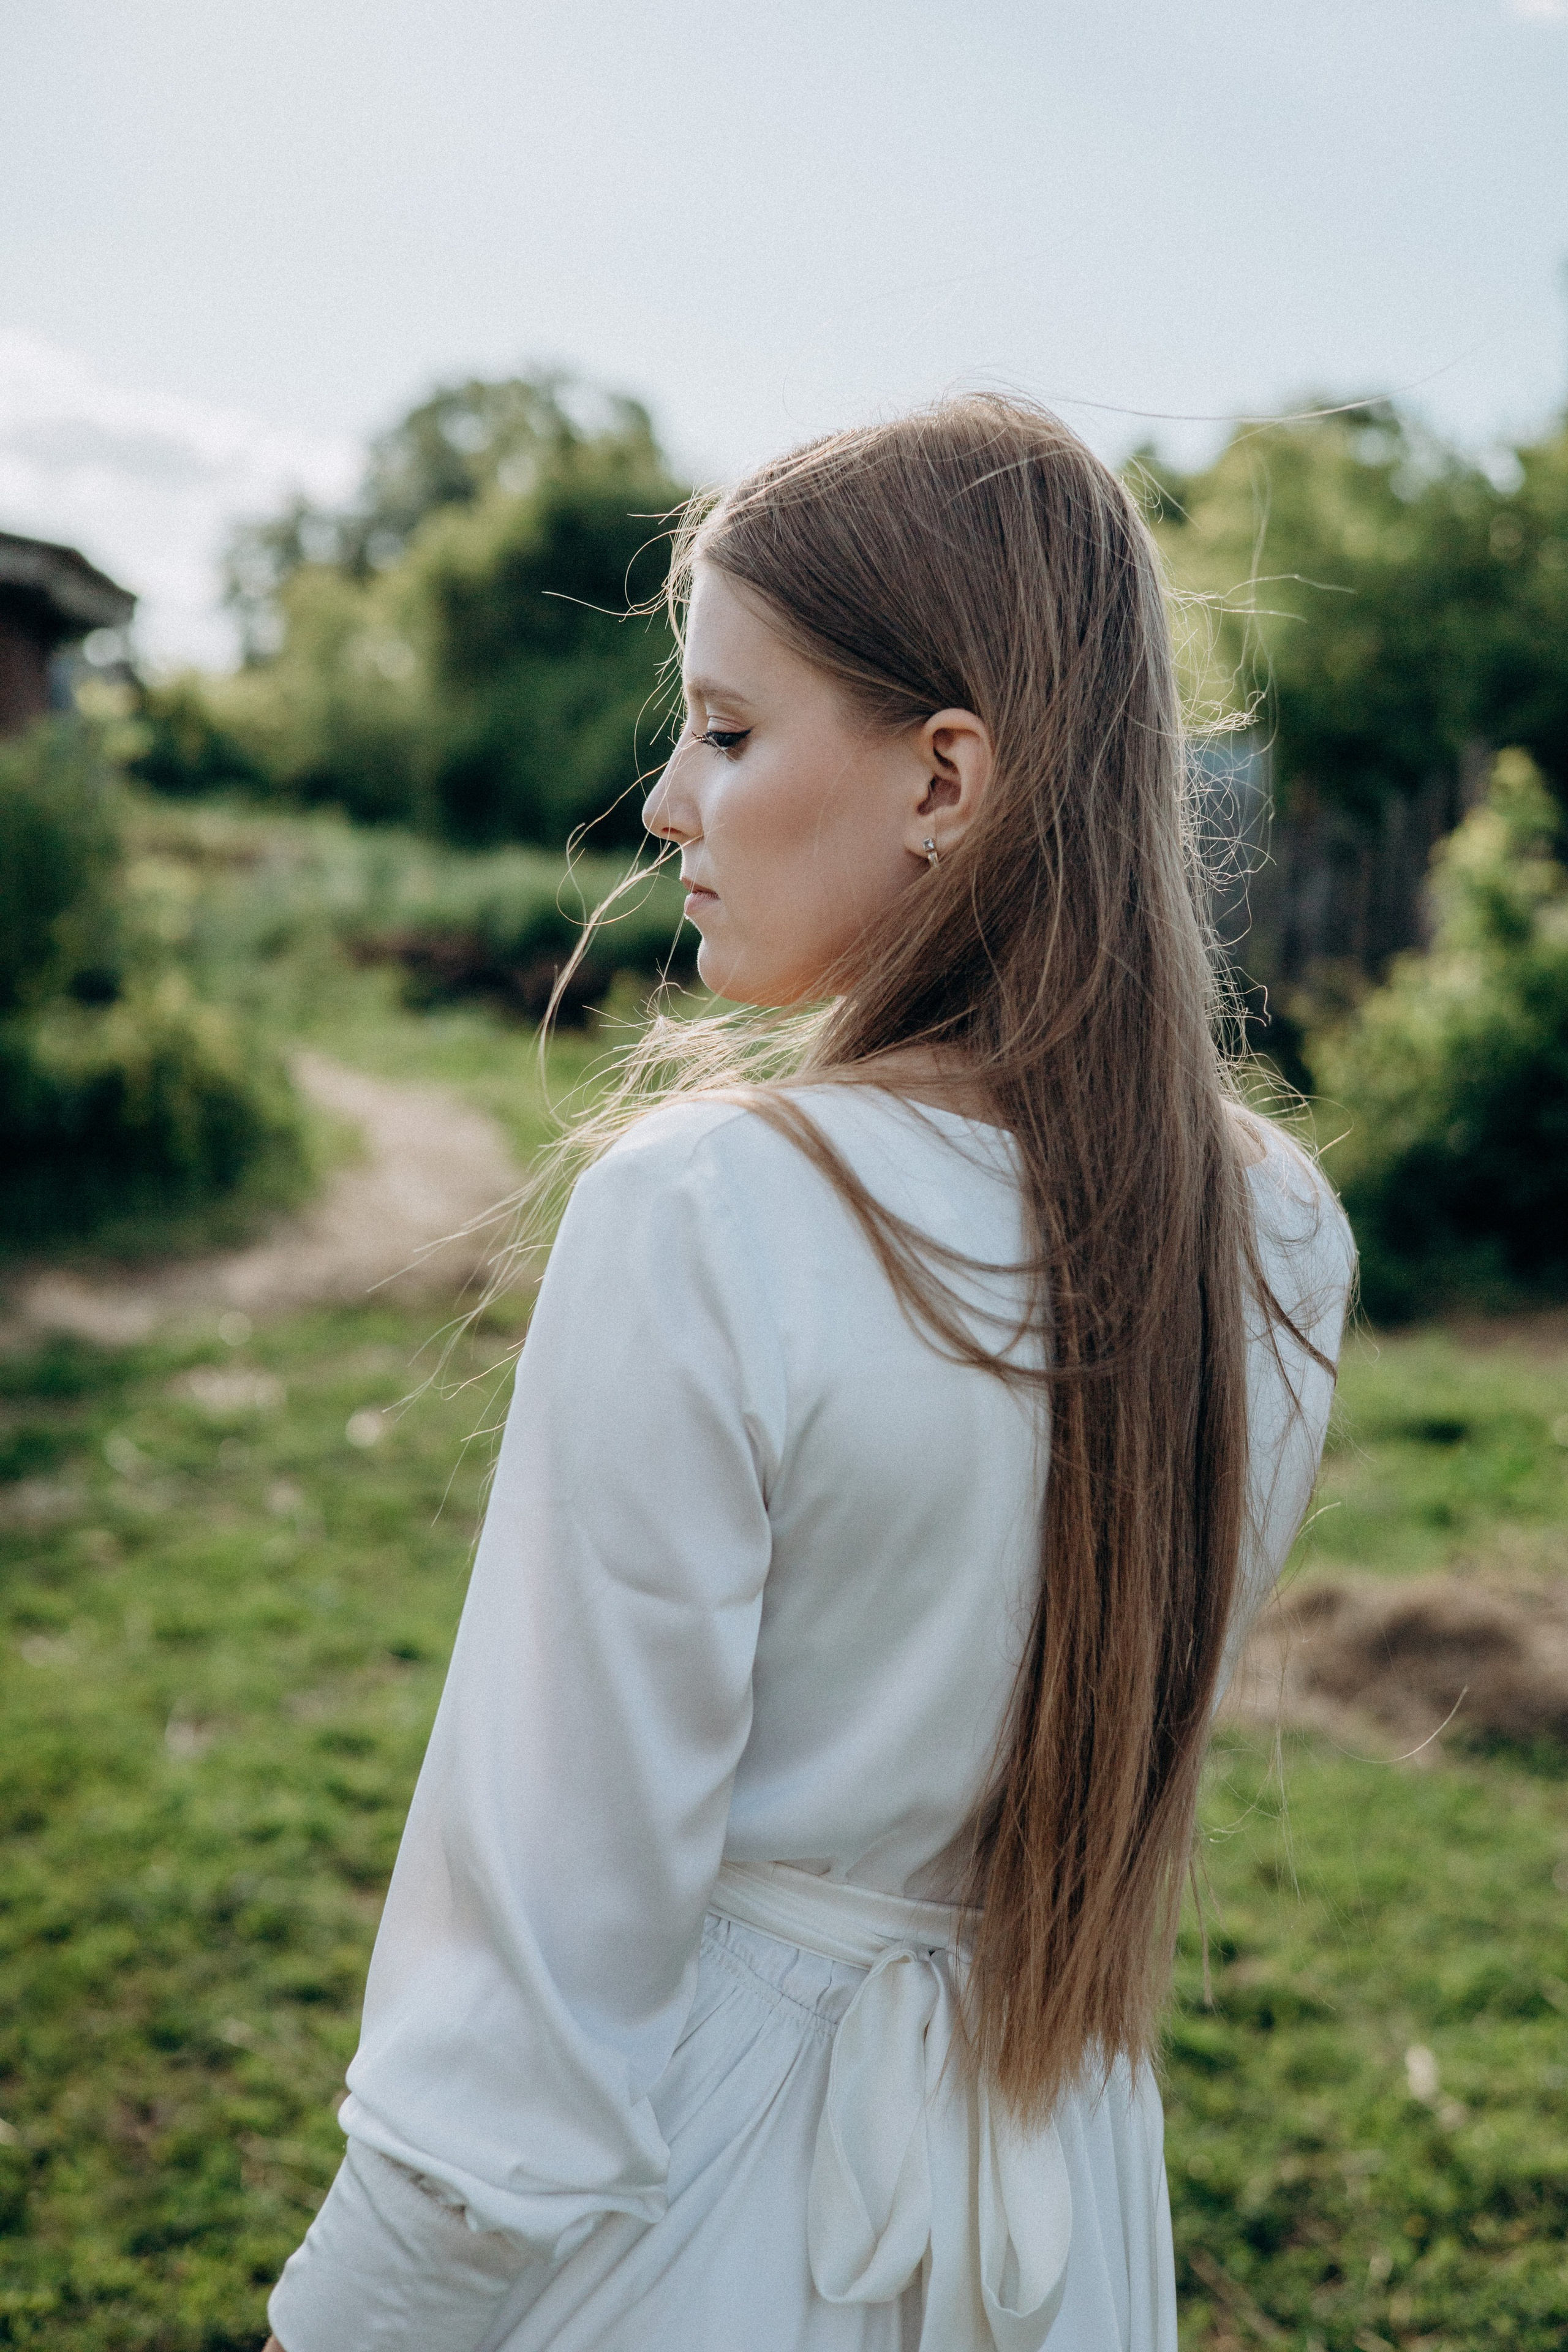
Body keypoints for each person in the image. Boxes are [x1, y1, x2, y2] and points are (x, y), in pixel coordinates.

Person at [263, 396, 1353, 2352]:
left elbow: (540, 1969)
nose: (668, 801)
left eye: (731, 730)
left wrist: (347, 2323)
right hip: (1065, 2220)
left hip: (701, 2224)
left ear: (948, 777)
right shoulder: (1280, 1234)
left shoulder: (709, 1219)